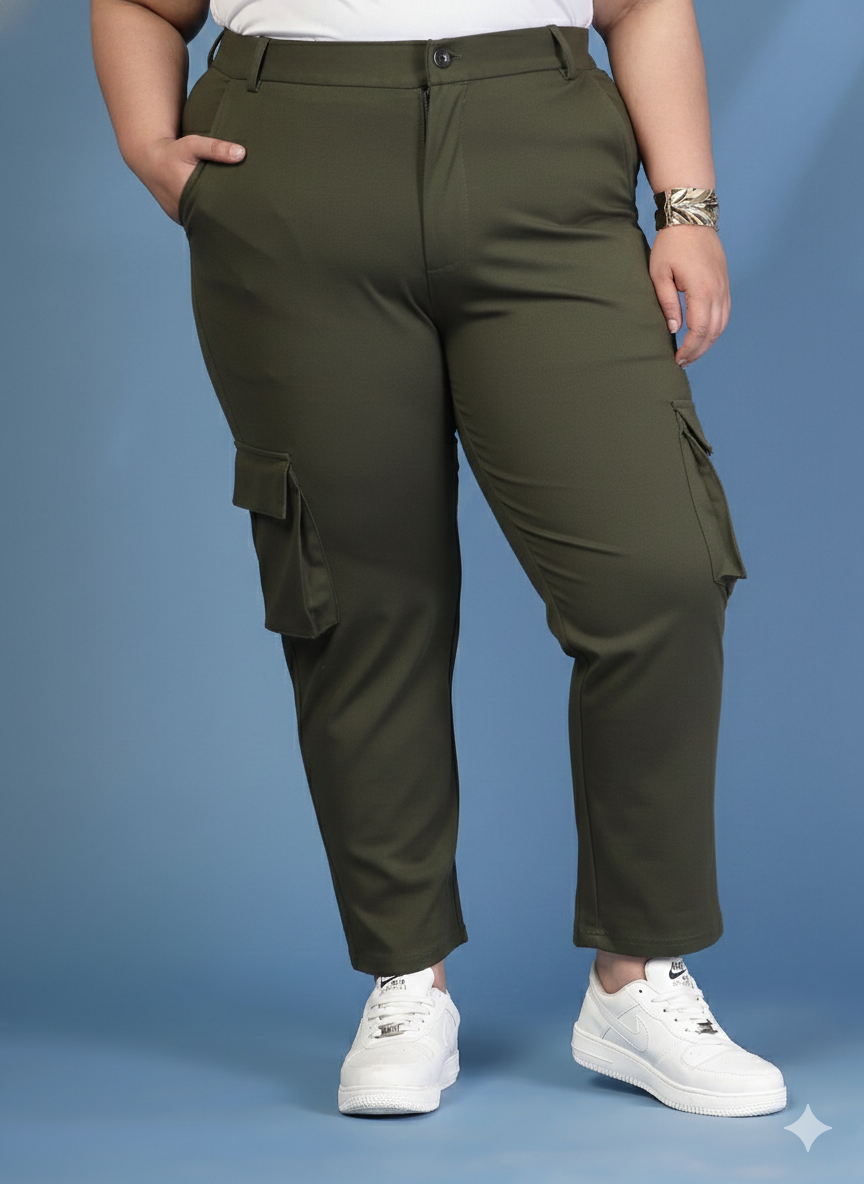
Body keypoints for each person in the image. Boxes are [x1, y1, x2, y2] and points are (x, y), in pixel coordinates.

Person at [91, 0, 786, 1119]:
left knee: (657, 570)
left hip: (541, 159)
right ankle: (405, 978)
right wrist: (144, 140)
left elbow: (642, 3)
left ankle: (638, 974)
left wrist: (687, 205)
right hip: (295, 168)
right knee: (357, 595)